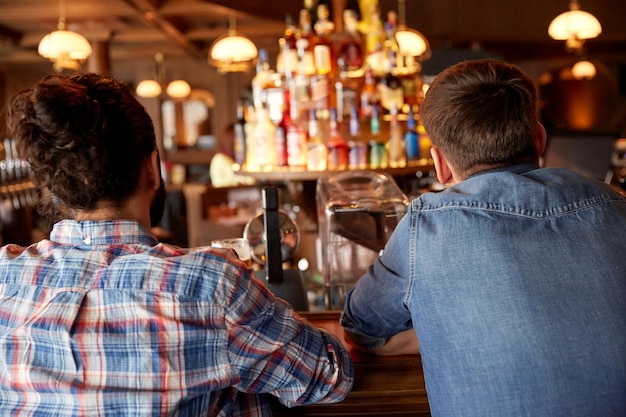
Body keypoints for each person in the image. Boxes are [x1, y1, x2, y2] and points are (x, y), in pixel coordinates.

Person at [1, 73, 353, 416]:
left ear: (52, 186)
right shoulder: (208, 286)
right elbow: (331, 375)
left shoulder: (5, 276)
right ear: (153, 169)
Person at [341, 59, 626, 416]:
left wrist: (434, 332)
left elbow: (362, 327)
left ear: (440, 165)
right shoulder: (615, 206)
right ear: (539, 139)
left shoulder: (425, 227)